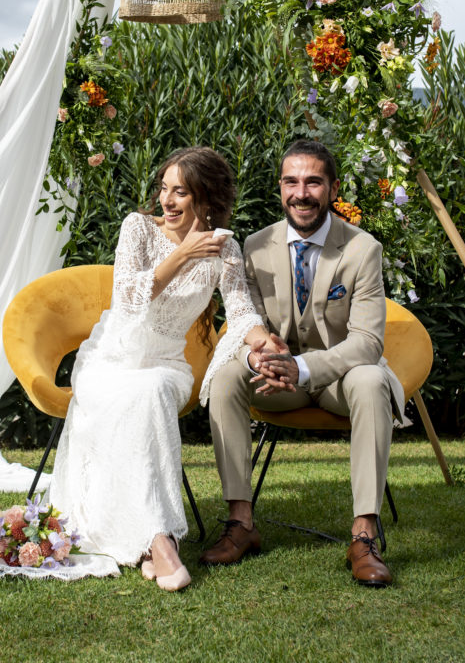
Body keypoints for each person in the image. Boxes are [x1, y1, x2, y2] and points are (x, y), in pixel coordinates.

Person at [48, 146, 274, 592]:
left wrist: (263, 340)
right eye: (164, 190)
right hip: (109, 359)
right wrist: (182, 255)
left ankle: (156, 540)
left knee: (150, 392)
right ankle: (160, 540)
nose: (168, 202)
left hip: (166, 364)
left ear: (205, 201)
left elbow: (242, 310)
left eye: (181, 193)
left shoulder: (224, 249)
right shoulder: (137, 228)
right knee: (135, 395)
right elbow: (128, 297)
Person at [201, 139, 404, 587]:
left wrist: (306, 369)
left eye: (313, 181)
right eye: (291, 181)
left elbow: (368, 342)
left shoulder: (362, 249)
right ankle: (241, 522)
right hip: (277, 380)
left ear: (332, 189)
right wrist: (256, 356)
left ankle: (364, 536)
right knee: (226, 377)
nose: (301, 192)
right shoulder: (253, 247)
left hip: (339, 382)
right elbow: (240, 322)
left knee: (372, 380)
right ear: (280, 189)